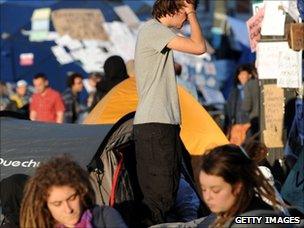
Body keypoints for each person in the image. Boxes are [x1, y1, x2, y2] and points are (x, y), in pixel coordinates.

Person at [133, 0, 206, 225]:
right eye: (185, 11)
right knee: (160, 196)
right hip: (155, 125)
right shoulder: (152, 29)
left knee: (169, 190)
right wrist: (192, 12)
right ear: (174, 7)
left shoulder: (157, 33)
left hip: (161, 124)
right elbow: (199, 47)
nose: (186, 18)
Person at [20, 156, 127, 228]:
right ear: (44, 205)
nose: (68, 209)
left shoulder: (104, 217)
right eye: (57, 204)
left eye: (72, 198)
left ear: (82, 192)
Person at [198, 144, 284, 227]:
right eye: (203, 189)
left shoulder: (258, 222)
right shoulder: (227, 213)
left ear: (238, 186)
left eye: (215, 190)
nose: (207, 197)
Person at [225, 64, 255, 145]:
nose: (240, 76)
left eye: (243, 74)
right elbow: (229, 110)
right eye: (239, 74)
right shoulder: (234, 91)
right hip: (237, 127)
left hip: (250, 126)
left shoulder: (254, 89)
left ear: (250, 75)